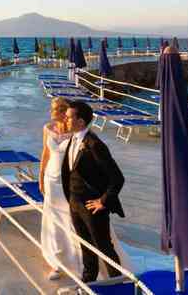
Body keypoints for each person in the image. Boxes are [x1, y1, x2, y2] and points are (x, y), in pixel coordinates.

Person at [61, 101, 125, 283]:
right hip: (75, 203)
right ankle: (88, 281)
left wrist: (103, 201)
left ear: (80, 122)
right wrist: (71, 200)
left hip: (92, 207)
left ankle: (117, 284)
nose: (65, 119)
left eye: (68, 117)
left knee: (103, 247)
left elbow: (117, 178)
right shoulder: (73, 139)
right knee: (85, 246)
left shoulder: (95, 144)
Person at [39, 97, 82, 280]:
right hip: (50, 179)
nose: (51, 110)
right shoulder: (48, 128)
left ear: (64, 111)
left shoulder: (76, 132)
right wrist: (40, 178)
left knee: (72, 220)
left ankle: (78, 261)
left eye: (55, 108)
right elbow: (45, 154)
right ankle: (57, 262)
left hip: (69, 181)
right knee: (55, 221)